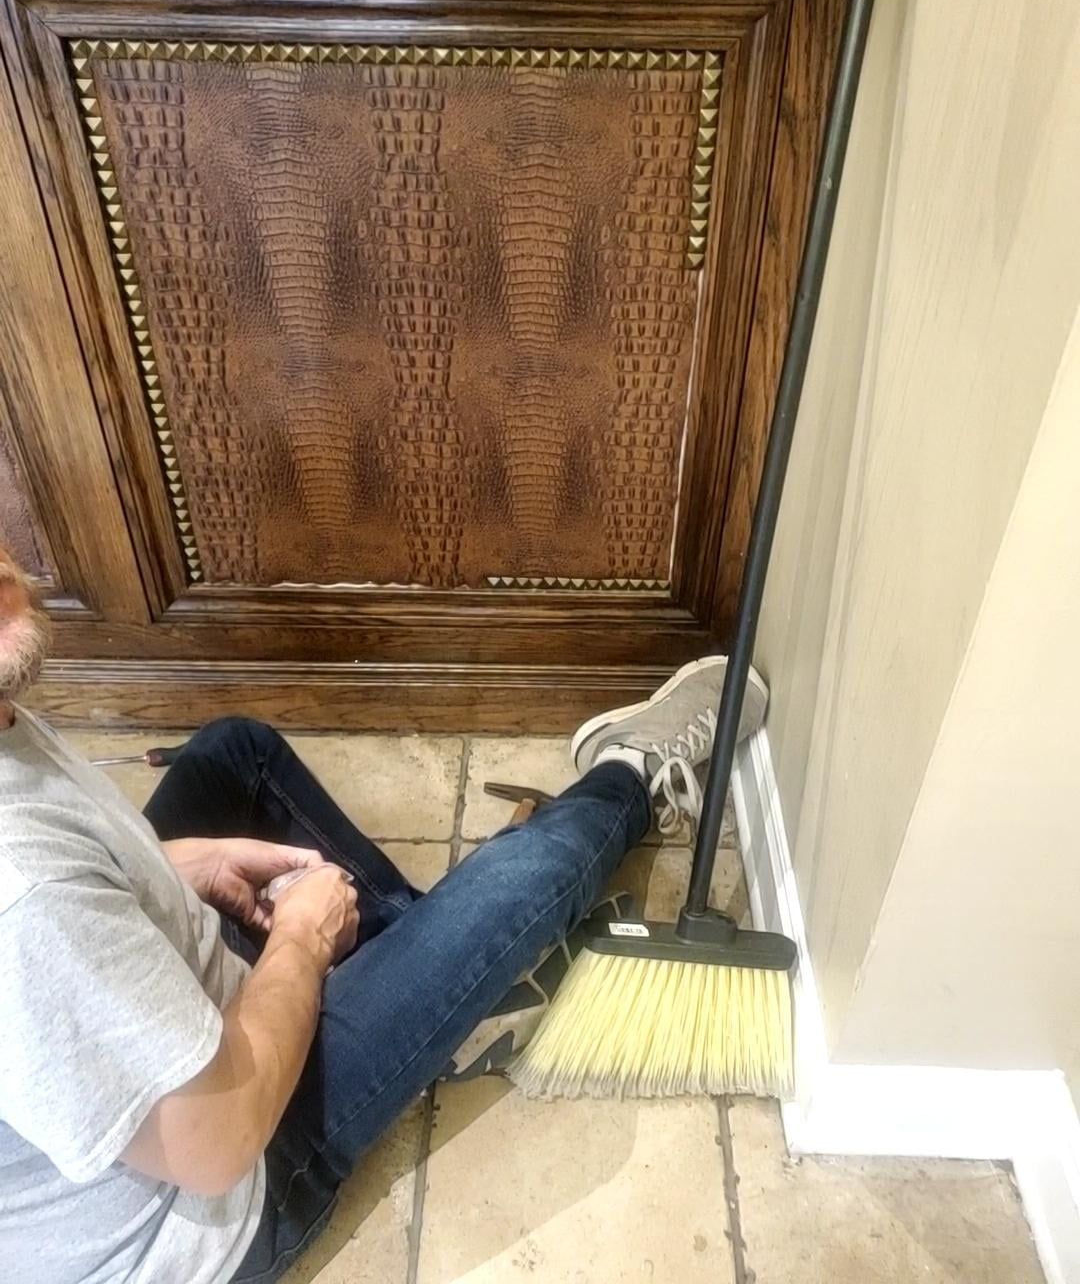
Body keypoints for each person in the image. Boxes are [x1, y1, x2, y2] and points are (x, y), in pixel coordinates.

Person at [0, 541, 767, 1284]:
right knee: (527, 873)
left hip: (172, 1012)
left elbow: (67, 910)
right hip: (215, 1197)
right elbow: (216, 1146)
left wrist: (173, 864)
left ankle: (432, 978)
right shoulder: (27, 895)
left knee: (236, 753)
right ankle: (628, 772)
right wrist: (299, 941)